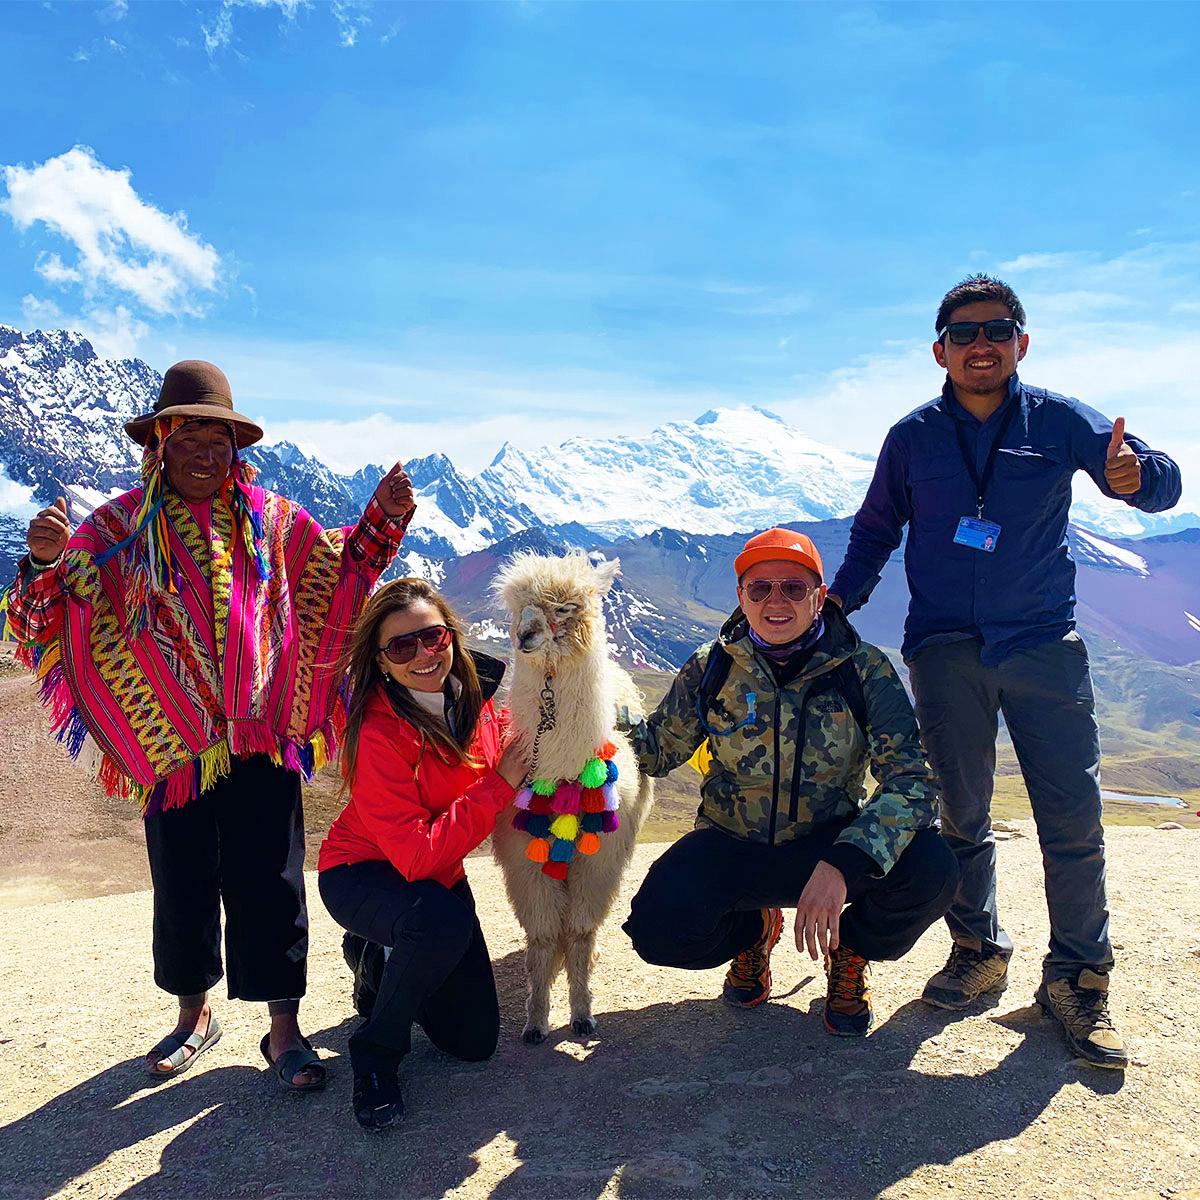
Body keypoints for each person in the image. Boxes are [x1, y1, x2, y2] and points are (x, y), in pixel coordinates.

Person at [5, 360, 415, 1090]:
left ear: (237, 448)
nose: (204, 451)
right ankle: (194, 1016)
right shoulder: (116, 528)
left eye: (217, 438)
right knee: (183, 881)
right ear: (159, 441)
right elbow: (45, 618)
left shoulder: (274, 521)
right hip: (171, 747)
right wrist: (40, 561)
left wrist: (382, 516)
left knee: (273, 883)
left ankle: (283, 1031)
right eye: (188, 435)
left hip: (262, 738)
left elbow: (337, 569)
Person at [829, 274, 1183, 1069]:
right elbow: (876, 529)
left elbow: (1156, 476)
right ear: (939, 351)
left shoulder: (1059, 420)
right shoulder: (912, 436)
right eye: (964, 334)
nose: (980, 344)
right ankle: (978, 949)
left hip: (1041, 644)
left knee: (1072, 817)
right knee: (960, 814)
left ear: (1022, 341)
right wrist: (838, 603)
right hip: (945, 648)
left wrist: (1139, 479)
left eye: (996, 330)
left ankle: (1079, 980)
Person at [621, 528, 958, 1036]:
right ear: (741, 598)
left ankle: (850, 946)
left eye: (793, 588)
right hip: (732, 843)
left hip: (830, 845)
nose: (775, 601)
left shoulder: (863, 671)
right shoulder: (710, 668)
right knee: (657, 927)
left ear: (819, 597)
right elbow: (656, 750)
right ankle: (752, 931)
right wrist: (588, 705)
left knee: (933, 870)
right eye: (760, 589)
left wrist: (845, 864)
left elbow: (910, 780)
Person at [318, 578, 531, 1132]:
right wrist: (500, 785)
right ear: (382, 663)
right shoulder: (377, 731)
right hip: (363, 873)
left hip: (436, 878)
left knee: (474, 1042)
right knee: (440, 922)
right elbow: (414, 857)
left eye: (432, 638)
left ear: (452, 638)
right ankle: (376, 1052)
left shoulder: (477, 699)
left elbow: (517, 746)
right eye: (401, 647)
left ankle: (379, 963)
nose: (423, 655)